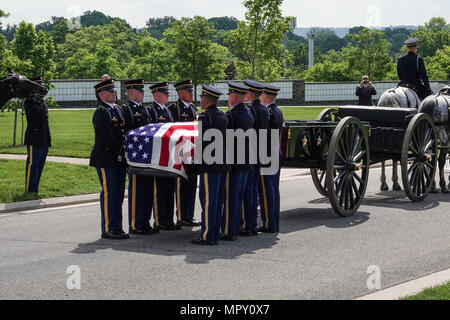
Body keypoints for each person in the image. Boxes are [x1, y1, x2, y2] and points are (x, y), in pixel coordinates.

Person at [90, 76, 128, 240]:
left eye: (114, 90)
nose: (114, 93)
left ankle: (117, 227)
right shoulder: (101, 112)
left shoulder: (117, 109)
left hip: (118, 158)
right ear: (101, 94)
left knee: (118, 194)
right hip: (106, 158)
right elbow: (106, 137)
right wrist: (120, 149)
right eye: (110, 91)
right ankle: (108, 228)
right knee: (110, 193)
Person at [191, 84, 228, 245]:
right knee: (217, 200)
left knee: (208, 200)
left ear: (206, 100)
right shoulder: (222, 115)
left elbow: (200, 141)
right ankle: (215, 232)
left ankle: (207, 235)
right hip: (222, 163)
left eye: (201, 98)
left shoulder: (205, 117)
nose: (200, 100)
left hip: (209, 164)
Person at [122, 79, 158, 235]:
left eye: (143, 91)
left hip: (147, 156)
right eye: (140, 91)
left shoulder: (144, 109)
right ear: (131, 93)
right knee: (137, 191)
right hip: (136, 157)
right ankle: (136, 224)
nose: (143, 93)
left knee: (148, 190)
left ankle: (145, 222)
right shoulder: (127, 109)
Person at [221, 81, 254, 241]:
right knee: (238, 195)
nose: (228, 99)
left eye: (229, 95)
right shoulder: (248, 112)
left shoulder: (231, 115)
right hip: (246, 160)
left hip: (234, 162)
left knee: (230, 196)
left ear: (233, 97)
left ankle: (229, 230)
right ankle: (235, 226)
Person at [168, 80, 201, 227]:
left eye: (191, 91)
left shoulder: (193, 108)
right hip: (181, 152)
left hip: (192, 151)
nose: (191, 93)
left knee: (192, 183)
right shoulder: (174, 109)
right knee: (182, 183)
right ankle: (181, 215)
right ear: (180, 92)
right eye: (188, 91)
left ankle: (190, 214)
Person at [148, 82, 180, 231]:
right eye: (165, 93)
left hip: (169, 155)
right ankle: (160, 220)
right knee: (159, 190)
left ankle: (168, 220)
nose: (168, 95)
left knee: (169, 189)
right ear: (156, 95)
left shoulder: (167, 110)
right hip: (158, 156)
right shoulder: (152, 111)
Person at [241, 80, 269, 236]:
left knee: (247, 190)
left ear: (250, 94)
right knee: (252, 190)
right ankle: (251, 225)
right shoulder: (263, 109)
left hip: (250, 153)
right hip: (257, 153)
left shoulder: (251, 110)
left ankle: (247, 224)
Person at [258, 84, 284, 233]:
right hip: (275, 153)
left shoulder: (268, 113)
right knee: (273, 189)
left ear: (265, 97)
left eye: (262, 96)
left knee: (267, 190)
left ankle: (269, 223)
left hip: (267, 155)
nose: (261, 97)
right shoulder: (277, 111)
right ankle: (274, 222)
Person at [24, 76, 51, 194]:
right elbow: (31, 118)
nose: (42, 87)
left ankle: (35, 188)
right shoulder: (29, 101)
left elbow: (45, 121)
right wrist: (38, 102)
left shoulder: (42, 101)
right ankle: (29, 190)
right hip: (34, 138)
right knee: (32, 164)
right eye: (40, 85)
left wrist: (48, 138)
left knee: (40, 164)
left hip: (43, 138)